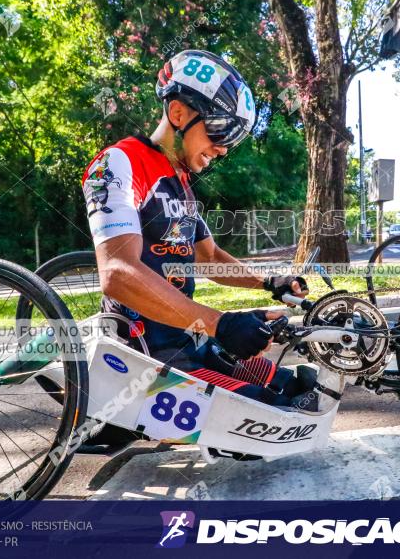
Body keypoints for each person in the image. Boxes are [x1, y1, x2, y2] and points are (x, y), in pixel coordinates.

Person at [82, 50, 317, 422]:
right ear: (178, 113)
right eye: (220, 130)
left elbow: (208, 258)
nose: (223, 149)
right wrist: (222, 324)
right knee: (276, 416)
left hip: (187, 342)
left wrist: (270, 282)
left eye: (231, 139)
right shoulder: (118, 163)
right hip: (141, 355)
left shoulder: (181, 183)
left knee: (301, 390)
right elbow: (116, 272)